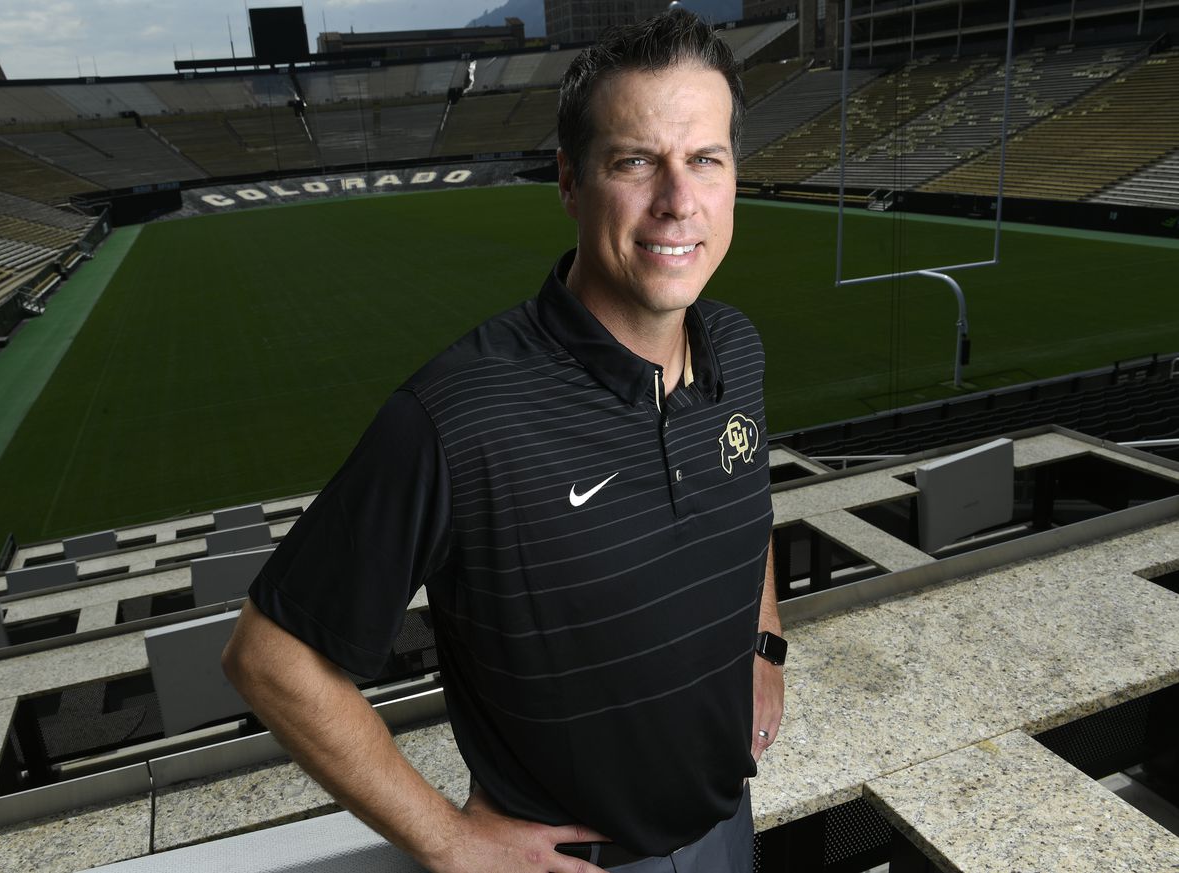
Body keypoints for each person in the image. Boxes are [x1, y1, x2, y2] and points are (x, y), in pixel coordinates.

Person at [222, 9, 784, 872]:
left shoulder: (737, 346)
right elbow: (270, 656)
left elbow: (746, 510)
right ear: (569, 181)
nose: (679, 200)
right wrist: (446, 838)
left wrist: (765, 643)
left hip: (730, 825)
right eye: (636, 161)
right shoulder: (458, 413)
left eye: (705, 159)